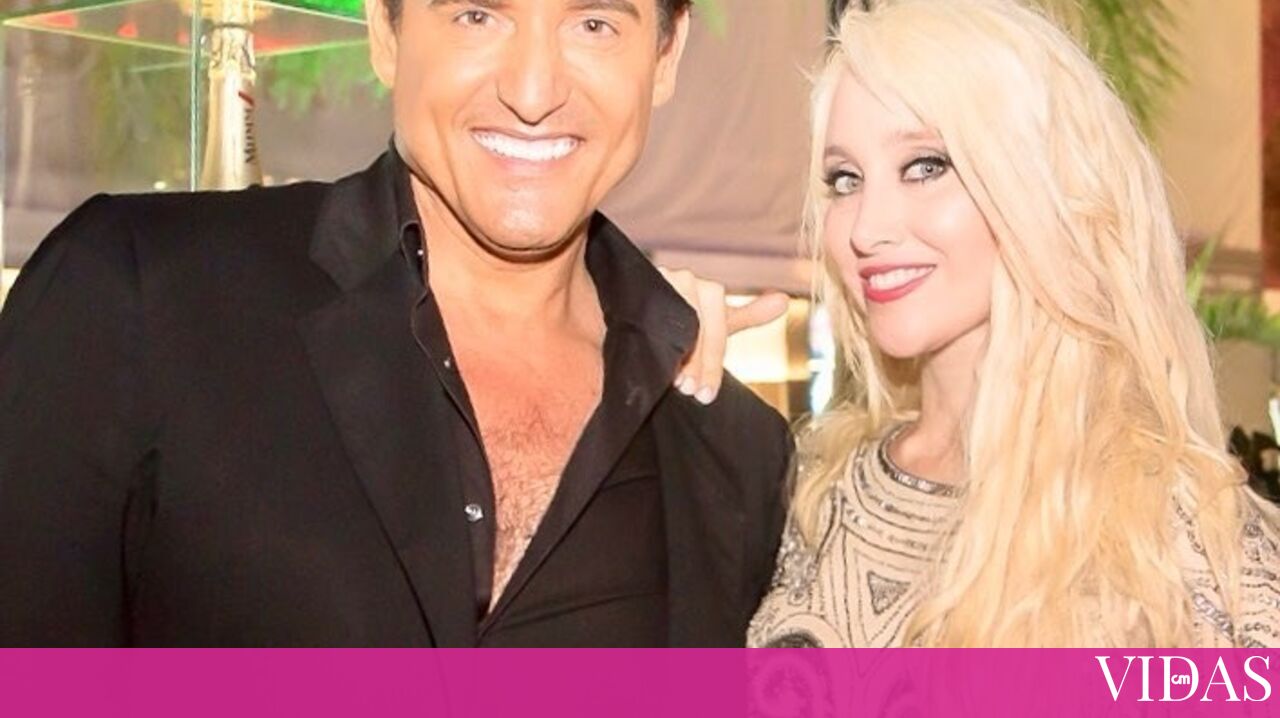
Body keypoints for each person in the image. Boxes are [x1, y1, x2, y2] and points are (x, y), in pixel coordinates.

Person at [0, 0, 791, 646]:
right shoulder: (137, 295)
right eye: (478, 15)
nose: (533, 89)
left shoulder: (736, 456)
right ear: (386, 30)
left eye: (594, 23)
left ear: (666, 54)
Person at [686, 0, 1280, 647]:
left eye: (926, 166)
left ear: (1040, 186)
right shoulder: (812, 491)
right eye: (845, 179)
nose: (867, 228)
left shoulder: (1173, 532)